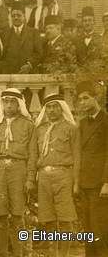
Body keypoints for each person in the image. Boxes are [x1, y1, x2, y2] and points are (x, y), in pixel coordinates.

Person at [0, 88, 36, 257]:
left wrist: (29, 179)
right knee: (1, 215)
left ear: (19, 104)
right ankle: (3, 252)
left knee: (17, 215)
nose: (8, 105)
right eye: (5, 101)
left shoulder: (28, 125)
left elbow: (33, 155)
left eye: (12, 102)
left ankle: (19, 252)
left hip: (18, 169)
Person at [33, 94, 80, 257]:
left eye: (55, 106)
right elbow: (34, 155)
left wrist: (76, 182)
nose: (52, 110)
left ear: (62, 108)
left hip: (64, 175)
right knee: (48, 217)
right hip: (44, 177)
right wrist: (32, 178)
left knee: (65, 217)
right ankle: (53, 253)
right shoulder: (39, 129)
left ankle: (64, 254)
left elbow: (77, 156)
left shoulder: (71, 128)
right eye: (49, 107)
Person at [76, 81, 108, 256]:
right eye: (80, 99)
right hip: (85, 183)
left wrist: (106, 182)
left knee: (100, 229)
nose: (82, 102)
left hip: (100, 185)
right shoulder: (82, 123)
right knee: (88, 229)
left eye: (86, 98)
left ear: (96, 98)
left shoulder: (106, 121)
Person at [0, 1, 43, 74]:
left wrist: (29, 65)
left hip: (29, 74)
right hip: (10, 74)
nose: (16, 18)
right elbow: (2, 56)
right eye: (13, 16)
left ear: (24, 16)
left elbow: (39, 53)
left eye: (19, 15)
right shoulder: (5, 33)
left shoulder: (33, 32)